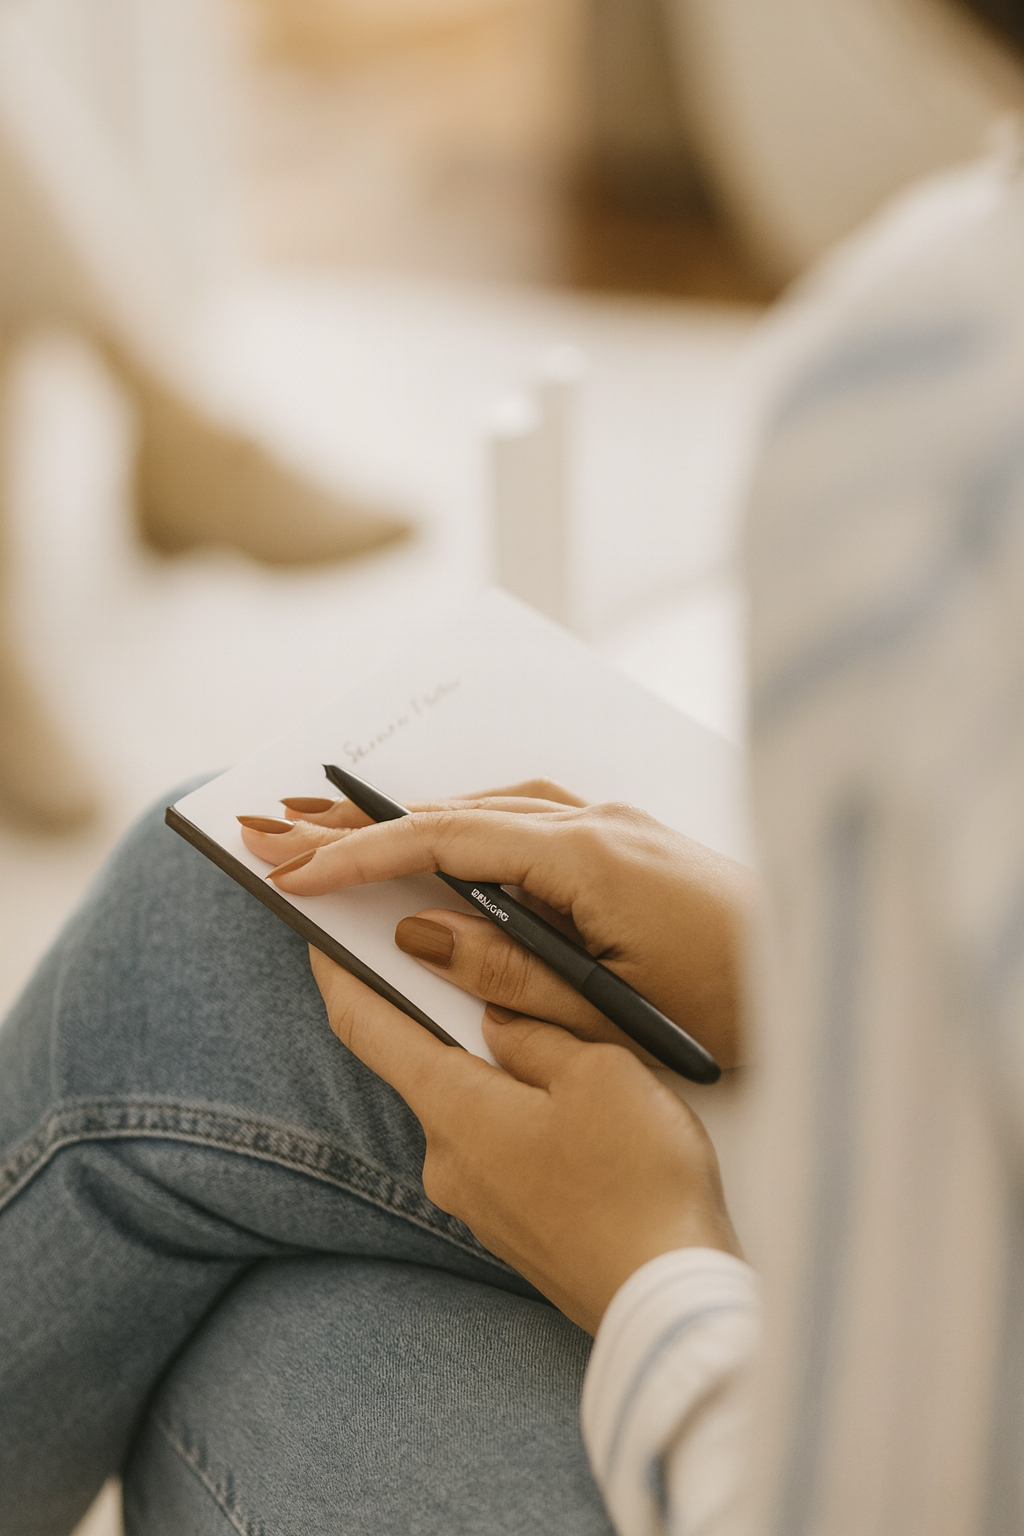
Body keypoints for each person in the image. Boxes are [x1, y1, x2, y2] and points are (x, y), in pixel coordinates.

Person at [4, 141, 1024, 1536]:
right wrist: (801, 971)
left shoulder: (951, 405)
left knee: (278, 1364)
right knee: (228, 929)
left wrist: (653, 1267)